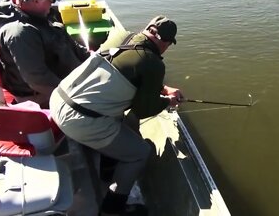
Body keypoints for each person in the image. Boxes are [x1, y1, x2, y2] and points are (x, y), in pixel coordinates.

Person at [49, 15, 183, 215]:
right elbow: (144, 109)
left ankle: (108, 170)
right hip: (78, 121)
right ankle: (113, 209)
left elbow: (128, 70)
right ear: (166, 43)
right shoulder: (154, 63)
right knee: (139, 153)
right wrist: (167, 101)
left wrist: (162, 88)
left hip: (57, 99)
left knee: (117, 115)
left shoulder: (121, 36)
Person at [0, 0, 90, 108]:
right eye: (50, 0)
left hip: (68, 81)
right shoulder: (20, 33)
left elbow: (76, 49)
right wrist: (75, 93)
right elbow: (38, 79)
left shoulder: (40, 19)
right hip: (42, 97)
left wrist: (95, 58)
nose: (52, 4)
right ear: (36, 1)